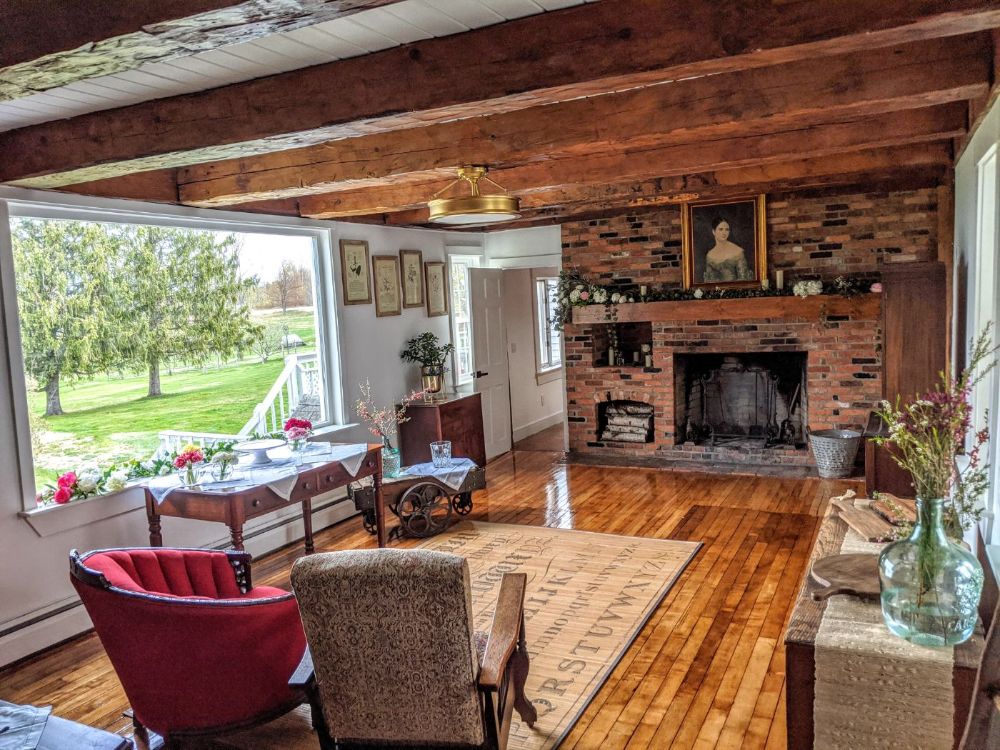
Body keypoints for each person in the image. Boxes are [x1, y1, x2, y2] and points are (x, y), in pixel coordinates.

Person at [702, 216, 751, 282]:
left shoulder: (737, 251)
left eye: (727, 229)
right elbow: (710, 281)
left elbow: (743, 279)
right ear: (714, 232)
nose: (724, 233)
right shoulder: (709, 255)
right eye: (721, 229)